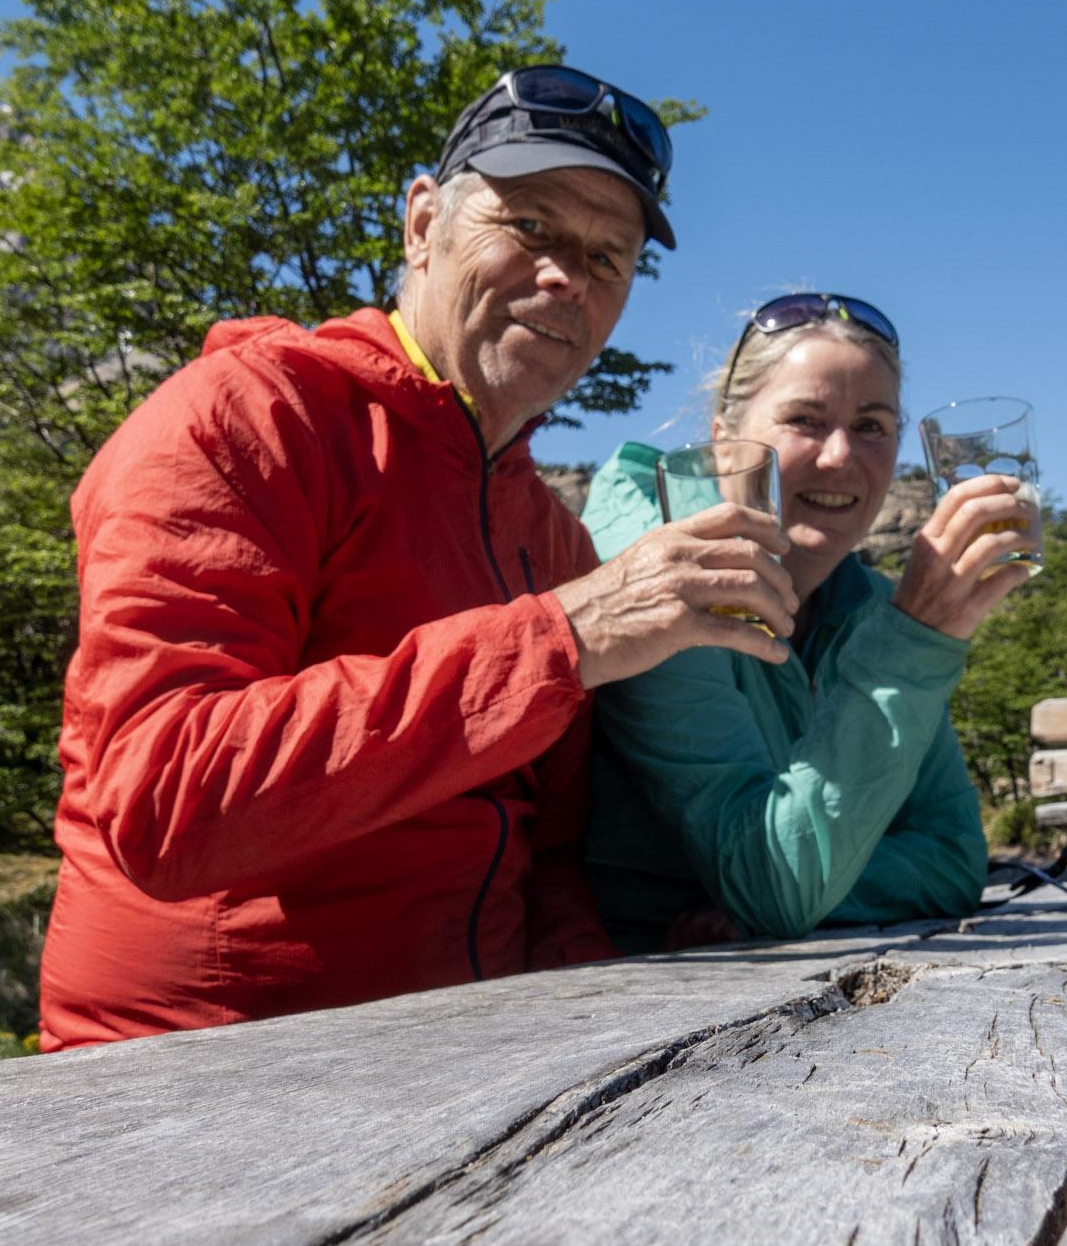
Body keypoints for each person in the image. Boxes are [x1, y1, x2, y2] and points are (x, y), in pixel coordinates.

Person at [39, 66, 801, 1049]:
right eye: (528, 226)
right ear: (420, 223)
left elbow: (546, 853)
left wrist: (608, 1019)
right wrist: (561, 636)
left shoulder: (553, 535)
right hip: (196, 1072)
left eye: (608, 258)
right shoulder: (246, 419)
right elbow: (166, 803)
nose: (567, 275)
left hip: (460, 1057)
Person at [579, 294, 1038, 953]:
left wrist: (796, 890)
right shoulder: (662, 572)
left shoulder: (865, 604)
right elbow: (776, 884)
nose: (840, 456)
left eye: (873, 425)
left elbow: (955, 856)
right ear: (723, 436)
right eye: (806, 419)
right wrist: (916, 638)